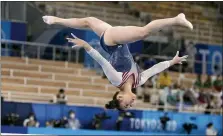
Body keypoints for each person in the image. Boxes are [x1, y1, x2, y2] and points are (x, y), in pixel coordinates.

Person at [43, 13, 191, 110]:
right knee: (88, 21)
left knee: (143, 32)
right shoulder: (138, 81)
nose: (131, 104)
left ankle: (176, 19)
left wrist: (86, 45)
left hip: (111, 42)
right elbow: (155, 69)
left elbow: (102, 62)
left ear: (119, 96)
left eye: (126, 104)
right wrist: (172, 62)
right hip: (112, 40)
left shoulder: (116, 80)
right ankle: (55, 19)